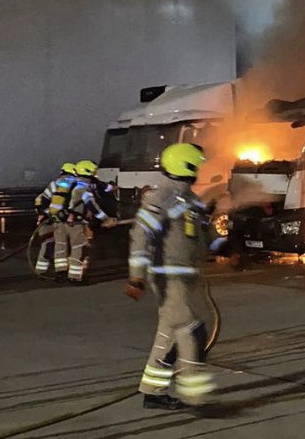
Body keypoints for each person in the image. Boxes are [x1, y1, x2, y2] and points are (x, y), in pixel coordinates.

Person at [125, 143, 227, 410]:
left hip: (189, 276)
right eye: (197, 165)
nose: (199, 171)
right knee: (191, 329)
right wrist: (136, 277)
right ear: (187, 165)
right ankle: (195, 394)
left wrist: (223, 245)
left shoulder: (190, 200)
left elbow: (203, 234)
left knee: (168, 334)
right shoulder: (161, 197)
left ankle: (153, 391)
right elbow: (140, 235)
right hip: (169, 276)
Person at [64, 159, 114, 283]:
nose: (95, 175)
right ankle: (75, 277)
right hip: (76, 222)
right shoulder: (83, 188)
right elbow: (92, 205)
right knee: (80, 248)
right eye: (93, 172)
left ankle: (70, 272)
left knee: (74, 247)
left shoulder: (72, 184)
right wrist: (106, 219)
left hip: (66, 221)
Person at [33, 162, 77, 277]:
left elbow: (42, 199)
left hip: (45, 219)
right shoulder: (73, 183)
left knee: (46, 243)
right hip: (59, 220)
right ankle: (61, 271)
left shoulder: (54, 183)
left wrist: (44, 213)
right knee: (61, 244)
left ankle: (40, 271)